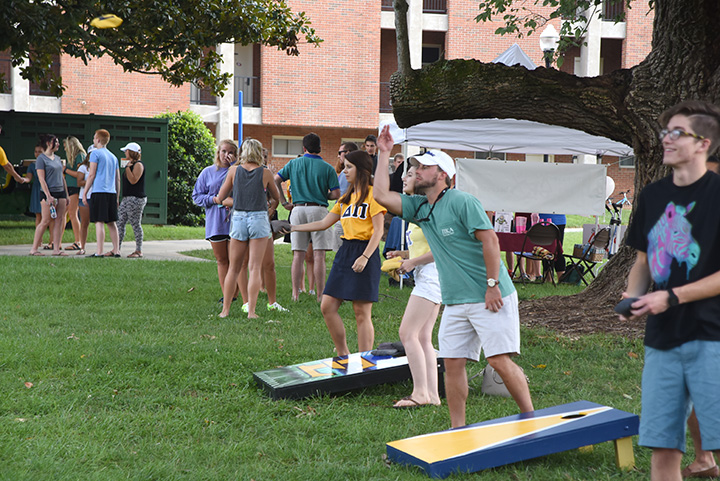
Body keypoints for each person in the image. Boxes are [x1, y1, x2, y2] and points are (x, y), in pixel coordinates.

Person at [373, 125, 533, 428]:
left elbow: (491, 242)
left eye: (424, 167)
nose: (416, 170)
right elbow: (381, 195)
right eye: (415, 166)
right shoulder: (420, 207)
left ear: (443, 174)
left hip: (491, 295)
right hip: (455, 299)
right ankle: (457, 429)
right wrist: (383, 153)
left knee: (498, 359)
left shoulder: (462, 201)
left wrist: (492, 286)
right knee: (453, 363)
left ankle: (530, 419)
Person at [620, 100, 720, 481]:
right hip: (661, 341)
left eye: (677, 133)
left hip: (712, 337)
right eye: (666, 132)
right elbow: (644, 263)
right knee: (663, 448)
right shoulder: (653, 195)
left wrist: (673, 296)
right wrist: (633, 296)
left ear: (702, 143)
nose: (667, 140)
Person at [290, 150, 385, 355]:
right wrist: (292, 228)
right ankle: (344, 354)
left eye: (349, 167)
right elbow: (324, 223)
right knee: (327, 306)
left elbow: (379, 231)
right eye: (345, 166)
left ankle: (365, 360)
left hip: (365, 250)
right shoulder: (345, 198)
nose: (345, 171)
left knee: (361, 312)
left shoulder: (373, 195)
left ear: (362, 170)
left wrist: (365, 256)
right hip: (346, 251)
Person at [386, 164, 442, 408]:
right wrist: (403, 254)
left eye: (409, 174)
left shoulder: (428, 210)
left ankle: (420, 393)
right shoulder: (419, 209)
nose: (403, 178)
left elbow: (440, 249)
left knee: (407, 333)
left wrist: (411, 263)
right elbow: (424, 246)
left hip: (432, 275)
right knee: (422, 337)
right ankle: (433, 396)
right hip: (427, 273)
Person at [215, 139, 280, 319]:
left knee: (234, 268)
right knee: (254, 267)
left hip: (239, 218)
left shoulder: (233, 171)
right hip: (259, 218)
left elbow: (221, 197)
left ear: (242, 152)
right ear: (259, 152)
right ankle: (251, 312)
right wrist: (271, 207)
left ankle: (225, 310)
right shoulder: (265, 173)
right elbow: (276, 197)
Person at [274, 133, 340, 302]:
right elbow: (336, 194)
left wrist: (282, 201)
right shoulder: (327, 168)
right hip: (318, 210)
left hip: (297, 209)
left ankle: (295, 294)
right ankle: (319, 295)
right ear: (319, 147)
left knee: (298, 255)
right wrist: (323, 194)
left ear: (304, 148)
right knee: (319, 255)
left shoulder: (293, 163)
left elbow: (275, 180)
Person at [193, 139, 238, 302]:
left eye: (231, 152)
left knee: (236, 260)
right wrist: (213, 199)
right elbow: (196, 196)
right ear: (218, 152)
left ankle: (236, 293)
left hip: (236, 221)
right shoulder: (207, 172)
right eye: (224, 151)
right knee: (222, 260)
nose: (227, 155)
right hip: (216, 222)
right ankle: (228, 295)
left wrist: (235, 167)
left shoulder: (239, 171)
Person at [82, 129, 121, 257]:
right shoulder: (113, 156)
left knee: (99, 221)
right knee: (111, 222)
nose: (93, 140)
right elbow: (117, 178)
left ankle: (99, 252)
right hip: (111, 192)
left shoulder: (95, 154)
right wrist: (117, 196)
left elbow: (91, 174)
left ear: (98, 140)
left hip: (99, 191)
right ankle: (116, 250)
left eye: (94, 138)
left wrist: (85, 192)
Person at [29, 134, 69, 256]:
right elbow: (42, 179)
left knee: (59, 220)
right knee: (45, 220)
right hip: (48, 193)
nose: (57, 144)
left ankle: (56, 249)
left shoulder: (57, 159)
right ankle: (34, 249)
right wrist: (48, 196)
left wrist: (66, 195)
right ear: (48, 143)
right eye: (55, 142)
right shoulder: (41, 159)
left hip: (60, 192)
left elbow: (62, 177)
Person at [117, 142, 147, 258]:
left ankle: (138, 250)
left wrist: (128, 168)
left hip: (136, 198)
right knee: (120, 222)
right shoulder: (131, 164)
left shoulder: (138, 165)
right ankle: (116, 248)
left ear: (131, 152)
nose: (125, 153)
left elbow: (133, 180)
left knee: (135, 223)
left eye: (126, 151)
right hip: (127, 198)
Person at [25, 144, 54, 247]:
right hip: (37, 190)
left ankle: (52, 241)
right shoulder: (32, 165)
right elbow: (29, 177)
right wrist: (23, 179)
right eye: (35, 151)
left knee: (51, 217)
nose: (37, 153)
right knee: (38, 215)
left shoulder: (50, 163)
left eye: (39, 151)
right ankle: (39, 240)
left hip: (48, 189)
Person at [62, 136, 86, 251]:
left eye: (66, 146)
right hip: (69, 188)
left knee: (72, 213)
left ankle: (78, 241)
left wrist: (65, 170)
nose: (65, 148)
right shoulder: (74, 157)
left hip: (75, 188)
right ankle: (56, 241)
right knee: (63, 214)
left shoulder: (80, 156)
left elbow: (80, 174)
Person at [75, 146, 94, 255]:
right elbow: (79, 182)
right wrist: (91, 179)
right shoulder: (83, 167)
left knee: (99, 222)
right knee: (85, 222)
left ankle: (99, 248)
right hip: (85, 197)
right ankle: (82, 247)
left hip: (97, 196)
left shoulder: (100, 166)